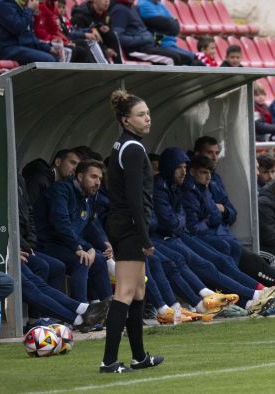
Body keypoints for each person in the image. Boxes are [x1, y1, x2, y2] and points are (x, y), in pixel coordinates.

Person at [152, 147, 275, 314]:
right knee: (204, 263)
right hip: (170, 237)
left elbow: (221, 214)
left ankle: (255, 296)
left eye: (185, 168)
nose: (183, 172)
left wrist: (184, 221)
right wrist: (184, 221)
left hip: (182, 234)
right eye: (179, 167)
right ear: (169, 167)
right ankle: (253, 295)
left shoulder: (179, 186)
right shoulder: (164, 187)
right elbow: (173, 221)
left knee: (222, 258)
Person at [100, 89, 163, 373]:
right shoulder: (134, 148)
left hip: (124, 225)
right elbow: (136, 199)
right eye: (141, 114)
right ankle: (109, 361)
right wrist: (145, 238)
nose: (147, 118)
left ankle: (139, 357)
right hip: (129, 228)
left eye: (148, 113)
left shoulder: (124, 145)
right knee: (124, 293)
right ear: (126, 120)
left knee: (138, 292)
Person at [182, 155, 275, 289]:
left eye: (210, 173)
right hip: (217, 240)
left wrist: (220, 213)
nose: (208, 177)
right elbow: (194, 226)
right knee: (260, 261)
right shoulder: (190, 192)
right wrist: (214, 216)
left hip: (224, 237)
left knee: (254, 262)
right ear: (192, 172)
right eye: (204, 172)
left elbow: (231, 213)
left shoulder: (209, 187)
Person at [35, 160, 113, 304]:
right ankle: (80, 312)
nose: (98, 183)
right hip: (46, 244)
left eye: (100, 179)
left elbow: (89, 225)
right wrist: (78, 247)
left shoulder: (87, 196)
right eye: (93, 177)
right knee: (81, 260)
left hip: (65, 244)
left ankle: (108, 308)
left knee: (99, 258)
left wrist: (104, 245)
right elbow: (61, 222)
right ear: (80, 177)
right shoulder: (61, 190)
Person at [19, 251, 109, 332]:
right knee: (29, 287)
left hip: (15, 255)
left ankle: (83, 309)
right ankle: (79, 320)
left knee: (39, 284)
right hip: (8, 259)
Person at [109, 0, 187, 65]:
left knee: (183, 58)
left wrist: (148, 38)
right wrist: (144, 39)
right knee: (172, 59)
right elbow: (118, 37)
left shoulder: (132, 8)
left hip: (147, 47)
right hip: (136, 50)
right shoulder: (120, 10)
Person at [0, 0, 58, 65]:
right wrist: (30, 10)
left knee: (55, 57)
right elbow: (18, 28)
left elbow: (29, 37)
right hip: (1, 49)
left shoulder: (20, 6)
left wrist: (49, 48)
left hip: (15, 46)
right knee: (49, 60)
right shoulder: (3, 4)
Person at [138, 0, 200, 65]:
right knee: (188, 60)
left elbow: (175, 26)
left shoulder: (160, 4)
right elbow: (164, 24)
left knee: (196, 58)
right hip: (160, 44)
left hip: (171, 44)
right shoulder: (144, 4)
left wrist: (171, 24)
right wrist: (171, 23)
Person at [193, 136, 236, 227]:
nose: (215, 157)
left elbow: (233, 213)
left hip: (221, 232)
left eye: (217, 153)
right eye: (209, 153)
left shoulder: (216, 178)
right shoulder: (188, 179)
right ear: (197, 154)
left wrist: (223, 209)